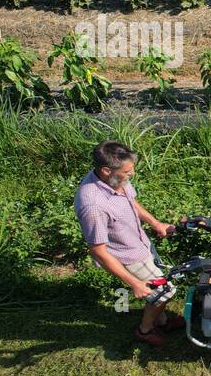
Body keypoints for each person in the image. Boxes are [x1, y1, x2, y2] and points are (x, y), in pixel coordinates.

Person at [74, 140, 182, 347]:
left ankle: (163, 320)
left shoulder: (116, 179)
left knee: (158, 285)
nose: (131, 174)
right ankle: (145, 330)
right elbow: (99, 252)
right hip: (128, 256)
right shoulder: (94, 205)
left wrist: (155, 223)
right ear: (106, 170)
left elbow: (130, 200)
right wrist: (133, 283)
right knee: (165, 291)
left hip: (140, 242)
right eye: (128, 171)